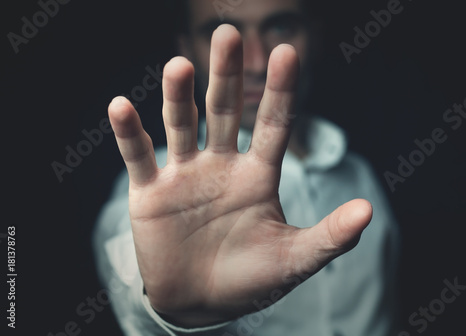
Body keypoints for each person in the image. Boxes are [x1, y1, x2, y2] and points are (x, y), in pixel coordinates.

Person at [92, 0, 400, 335]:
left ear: (316, 37)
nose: (255, 62)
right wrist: (185, 316)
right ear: (187, 48)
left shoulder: (359, 174)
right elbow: (130, 298)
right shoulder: (150, 188)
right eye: (220, 33)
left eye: (281, 27)